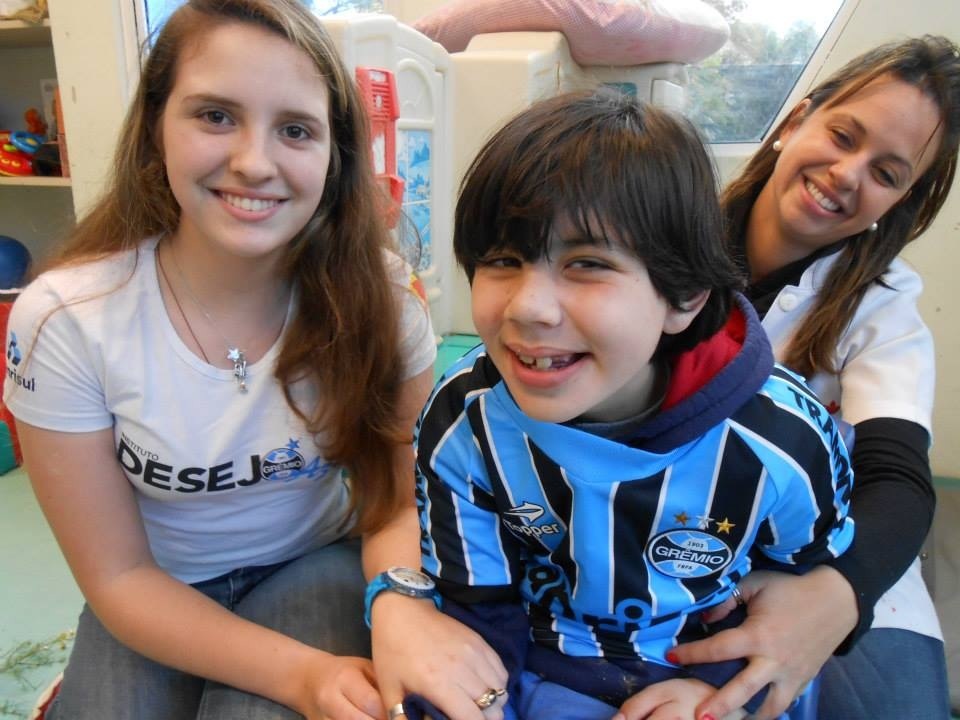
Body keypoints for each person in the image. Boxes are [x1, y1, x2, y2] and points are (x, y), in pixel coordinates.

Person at [2, 1, 436, 718]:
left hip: (318, 561)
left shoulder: (385, 297)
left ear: (336, 155)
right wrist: (302, 676)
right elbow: (118, 576)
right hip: (154, 588)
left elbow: (397, 497)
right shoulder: (64, 320)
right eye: (215, 116)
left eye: (295, 129)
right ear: (154, 129)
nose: (254, 163)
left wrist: (400, 600)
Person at [369, 89, 855, 720]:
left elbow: (802, 589)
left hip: (703, 676)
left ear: (683, 297)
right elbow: (475, 605)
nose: (527, 308)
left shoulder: (784, 439)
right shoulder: (464, 419)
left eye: (588, 264)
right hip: (534, 663)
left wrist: (723, 686)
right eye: (504, 261)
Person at [669, 34, 960, 720]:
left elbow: (900, 483)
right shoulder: (668, 236)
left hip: (837, 559)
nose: (848, 172)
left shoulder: (883, 312)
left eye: (886, 173)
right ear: (795, 120)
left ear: (900, 204)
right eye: (842, 134)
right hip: (673, 543)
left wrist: (837, 594)